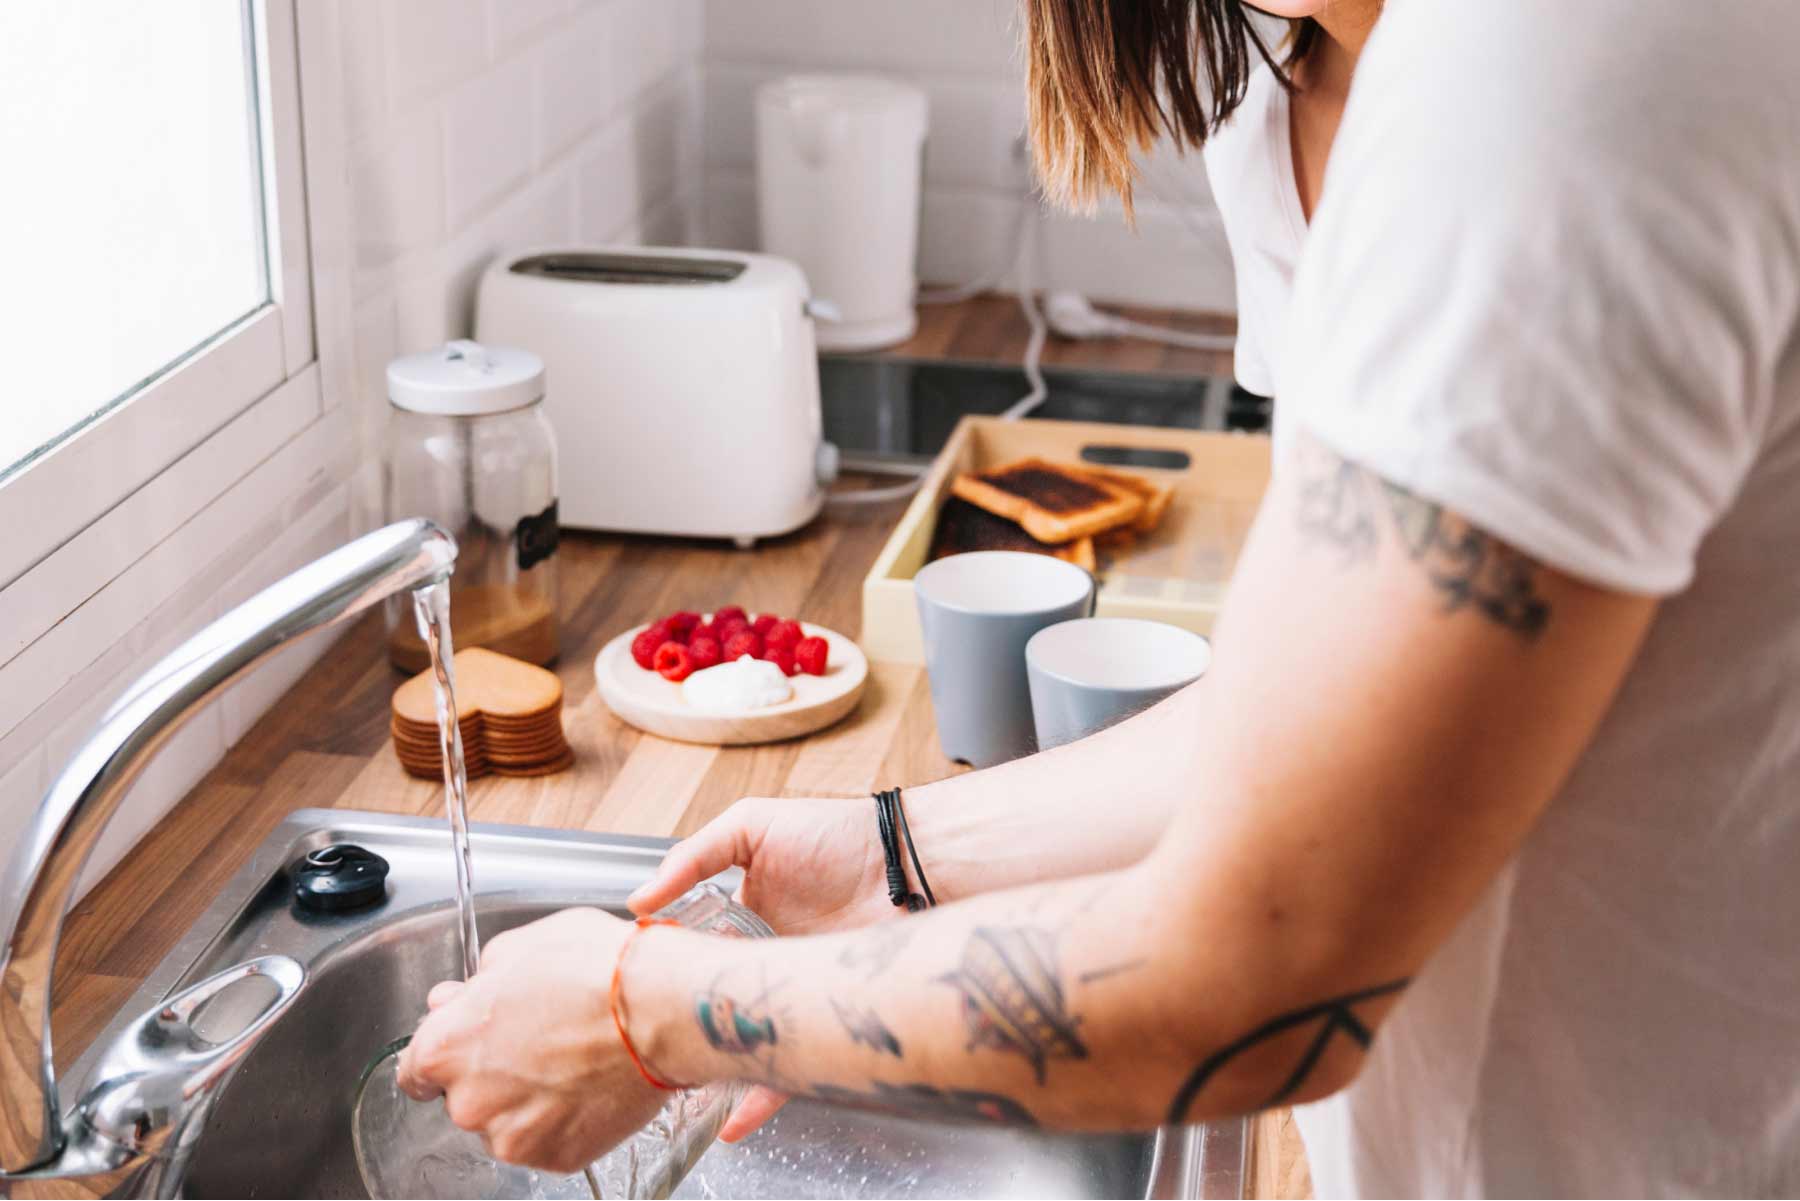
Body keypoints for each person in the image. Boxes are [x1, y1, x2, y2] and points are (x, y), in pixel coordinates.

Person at [397, 1, 1800, 1194]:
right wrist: (898, 849)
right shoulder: (1305, 69)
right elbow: (1316, 719)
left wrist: (652, 1012)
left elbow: (1262, 974)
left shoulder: (1551, 78)